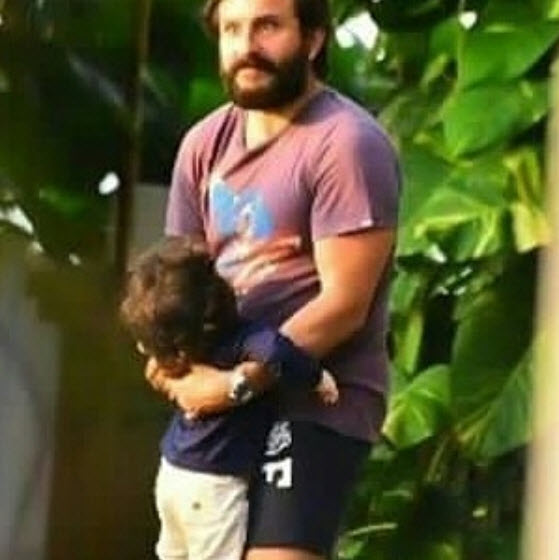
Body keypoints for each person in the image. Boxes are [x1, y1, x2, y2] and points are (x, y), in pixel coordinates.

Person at [147, 0, 400, 558]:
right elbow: (177, 283)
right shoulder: (203, 145)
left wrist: (235, 384)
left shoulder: (346, 143)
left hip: (313, 399)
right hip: (217, 405)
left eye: (267, 26)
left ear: (313, 38)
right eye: (232, 29)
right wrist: (170, 360)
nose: (246, 47)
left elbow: (343, 306)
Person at [120, 236, 338, 560]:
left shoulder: (185, 355)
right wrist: (317, 377)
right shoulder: (245, 338)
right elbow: (278, 353)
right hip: (212, 484)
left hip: (172, 473)